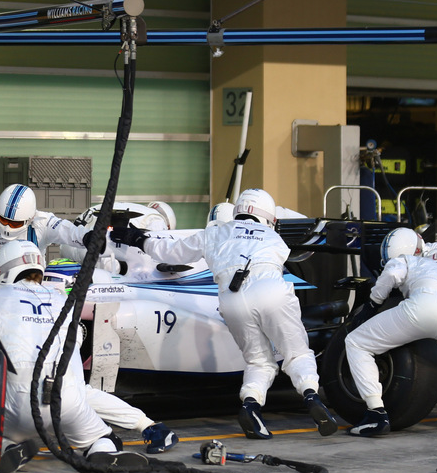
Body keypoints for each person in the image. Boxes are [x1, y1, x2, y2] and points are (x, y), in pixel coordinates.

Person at [110, 188, 340, 439]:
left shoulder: (215, 232)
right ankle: (312, 398)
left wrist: (135, 238)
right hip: (272, 291)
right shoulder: (274, 237)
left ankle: (251, 407)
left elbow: (170, 252)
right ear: (270, 217)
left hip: (232, 299)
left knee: (258, 361)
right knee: (296, 353)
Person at [0, 240, 178, 454]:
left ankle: (7, 447)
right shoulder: (63, 302)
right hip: (66, 399)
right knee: (88, 407)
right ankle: (107, 448)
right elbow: (76, 362)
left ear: (3, 271)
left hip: (15, 404)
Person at [346, 228, 437, 438]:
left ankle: (376, 413)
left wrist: (373, 303)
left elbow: (393, 273)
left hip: (423, 307)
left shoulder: (408, 260)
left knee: (356, 343)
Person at [0, 184, 97, 270]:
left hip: (33, 282)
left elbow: (67, 230)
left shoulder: (43, 222)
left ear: (30, 218)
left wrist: (88, 237)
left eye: (15, 223)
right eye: (3, 220)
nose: (8, 227)